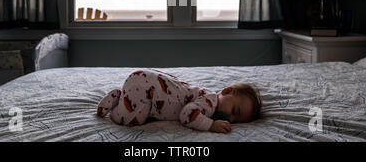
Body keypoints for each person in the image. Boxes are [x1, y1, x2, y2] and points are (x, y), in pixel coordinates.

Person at [96, 69, 262, 133]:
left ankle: (124, 95)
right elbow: (187, 114)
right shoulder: (211, 102)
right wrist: (211, 125)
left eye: (236, 120)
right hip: (144, 88)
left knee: (143, 113)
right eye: (234, 112)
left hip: (143, 82)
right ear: (226, 91)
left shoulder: (206, 96)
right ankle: (116, 103)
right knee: (131, 120)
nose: (229, 118)